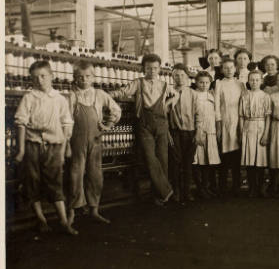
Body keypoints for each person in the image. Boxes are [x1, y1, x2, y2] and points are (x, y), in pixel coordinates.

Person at [14, 60, 77, 235]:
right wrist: (21, 150)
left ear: (51, 76)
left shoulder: (60, 99)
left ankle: (64, 222)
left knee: (55, 182)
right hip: (33, 145)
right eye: (35, 77)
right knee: (32, 181)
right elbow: (21, 123)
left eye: (43, 76)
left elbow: (67, 125)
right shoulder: (29, 97)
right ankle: (41, 219)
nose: (39, 80)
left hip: (55, 146)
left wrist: (65, 148)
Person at [109, 53, 177, 206]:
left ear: (159, 69)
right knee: (149, 158)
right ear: (143, 69)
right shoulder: (138, 83)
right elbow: (122, 92)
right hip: (144, 124)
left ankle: (159, 196)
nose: (152, 71)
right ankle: (166, 190)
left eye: (155, 68)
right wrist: (106, 95)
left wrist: (170, 103)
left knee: (162, 159)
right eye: (148, 68)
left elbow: (177, 94)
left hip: (161, 125)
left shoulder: (164, 85)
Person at [67, 61, 122, 226]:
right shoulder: (72, 96)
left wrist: (109, 124)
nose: (84, 80)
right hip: (76, 140)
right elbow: (66, 119)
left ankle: (94, 210)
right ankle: (72, 213)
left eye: (87, 76)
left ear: (93, 77)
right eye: (80, 77)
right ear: (75, 78)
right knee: (75, 174)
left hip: (96, 140)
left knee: (95, 175)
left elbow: (116, 110)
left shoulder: (99, 94)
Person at [215, 57, 246, 197]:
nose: (228, 70)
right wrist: (219, 124)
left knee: (236, 155)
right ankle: (222, 187)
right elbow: (216, 105)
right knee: (223, 155)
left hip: (238, 121)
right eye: (225, 68)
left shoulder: (241, 84)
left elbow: (244, 104)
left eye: (231, 67)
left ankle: (236, 186)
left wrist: (242, 124)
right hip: (224, 120)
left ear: (235, 69)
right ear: (222, 70)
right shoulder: (218, 84)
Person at [239, 70, 271, 197]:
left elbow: (268, 116)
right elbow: (241, 116)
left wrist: (266, 134)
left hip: (261, 126)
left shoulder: (265, 96)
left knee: (261, 159)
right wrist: (242, 133)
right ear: (248, 81)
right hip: (248, 126)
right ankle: (252, 187)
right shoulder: (244, 96)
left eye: (257, 80)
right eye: (252, 80)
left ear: (261, 81)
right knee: (250, 159)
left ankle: (261, 188)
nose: (254, 82)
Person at [169, 63, 199, 202]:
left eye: (182, 75)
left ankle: (186, 192)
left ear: (187, 77)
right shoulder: (168, 92)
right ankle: (175, 192)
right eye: (176, 75)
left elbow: (198, 115)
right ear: (172, 77)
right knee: (175, 163)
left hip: (190, 132)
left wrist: (197, 133)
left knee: (188, 163)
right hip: (174, 132)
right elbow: (164, 113)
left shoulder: (193, 94)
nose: (179, 78)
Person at [193, 71, 220, 199]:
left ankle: (206, 186)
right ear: (196, 83)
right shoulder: (194, 95)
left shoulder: (212, 95)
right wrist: (196, 131)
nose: (204, 85)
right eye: (201, 82)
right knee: (198, 161)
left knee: (209, 161)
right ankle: (200, 188)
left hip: (211, 131)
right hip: (198, 130)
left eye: (207, 82)